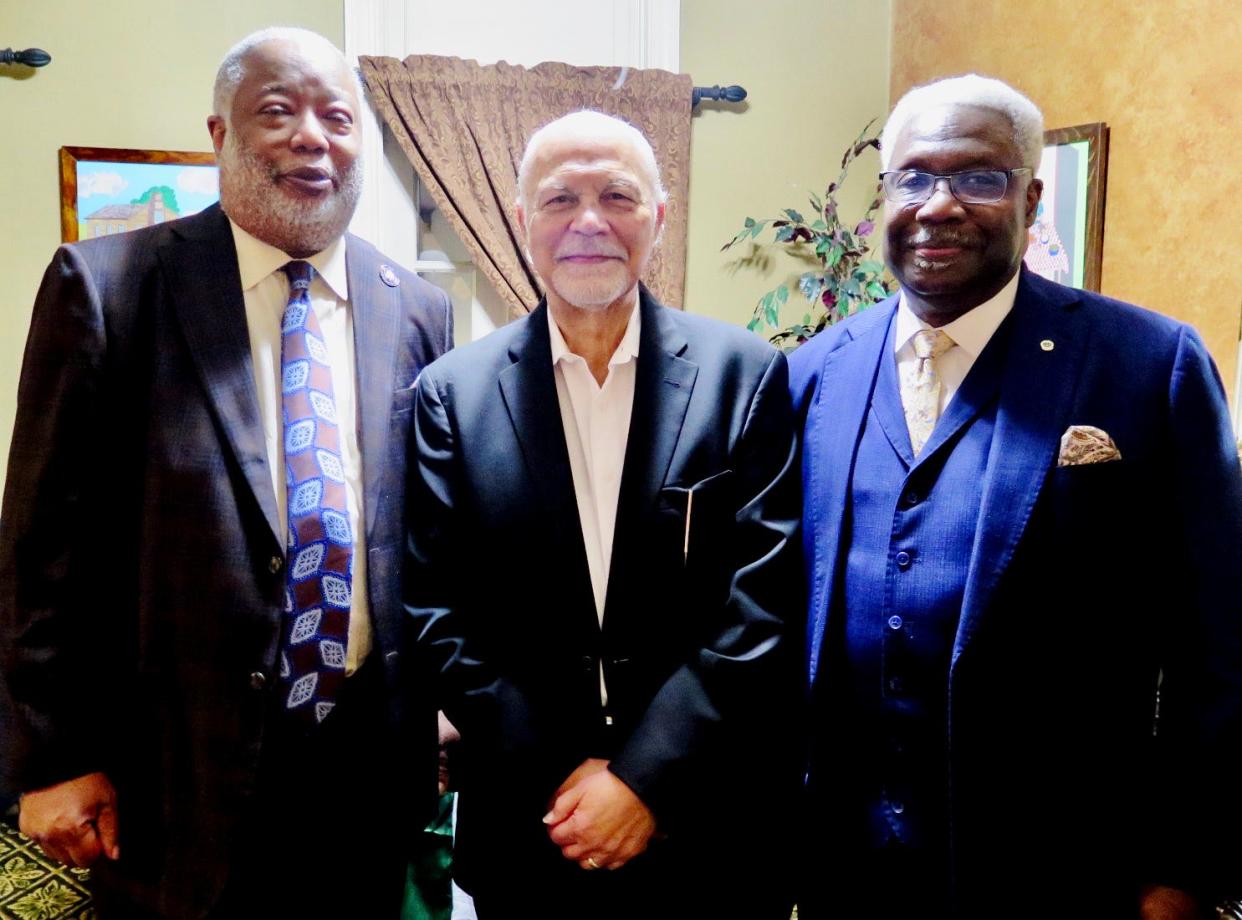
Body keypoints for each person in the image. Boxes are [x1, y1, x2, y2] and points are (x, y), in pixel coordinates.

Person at [0, 27, 453, 918]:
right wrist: (49, 758)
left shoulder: (417, 307)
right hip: (177, 765)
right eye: (278, 112)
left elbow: (429, 532)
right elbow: (39, 549)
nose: (312, 138)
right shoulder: (109, 286)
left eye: (337, 117)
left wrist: (443, 702)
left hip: (368, 759)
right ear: (221, 135)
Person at [789, 73, 1242, 919]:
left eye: (979, 178)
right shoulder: (813, 374)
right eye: (913, 177)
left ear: (1031, 198)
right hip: (845, 869)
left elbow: (1218, 644)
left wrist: (1182, 866)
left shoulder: (1149, 365)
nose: (939, 204)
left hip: (1064, 869)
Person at [403, 110, 803, 919]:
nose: (589, 222)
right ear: (521, 222)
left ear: (658, 214)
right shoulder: (452, 394)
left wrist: (642, 779)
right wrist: (577, 782)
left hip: (704, 827)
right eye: (559, 200)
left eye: (617, 195)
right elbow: (435, 610)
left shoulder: (747, 376)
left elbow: (762, 605)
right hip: (534, 826)